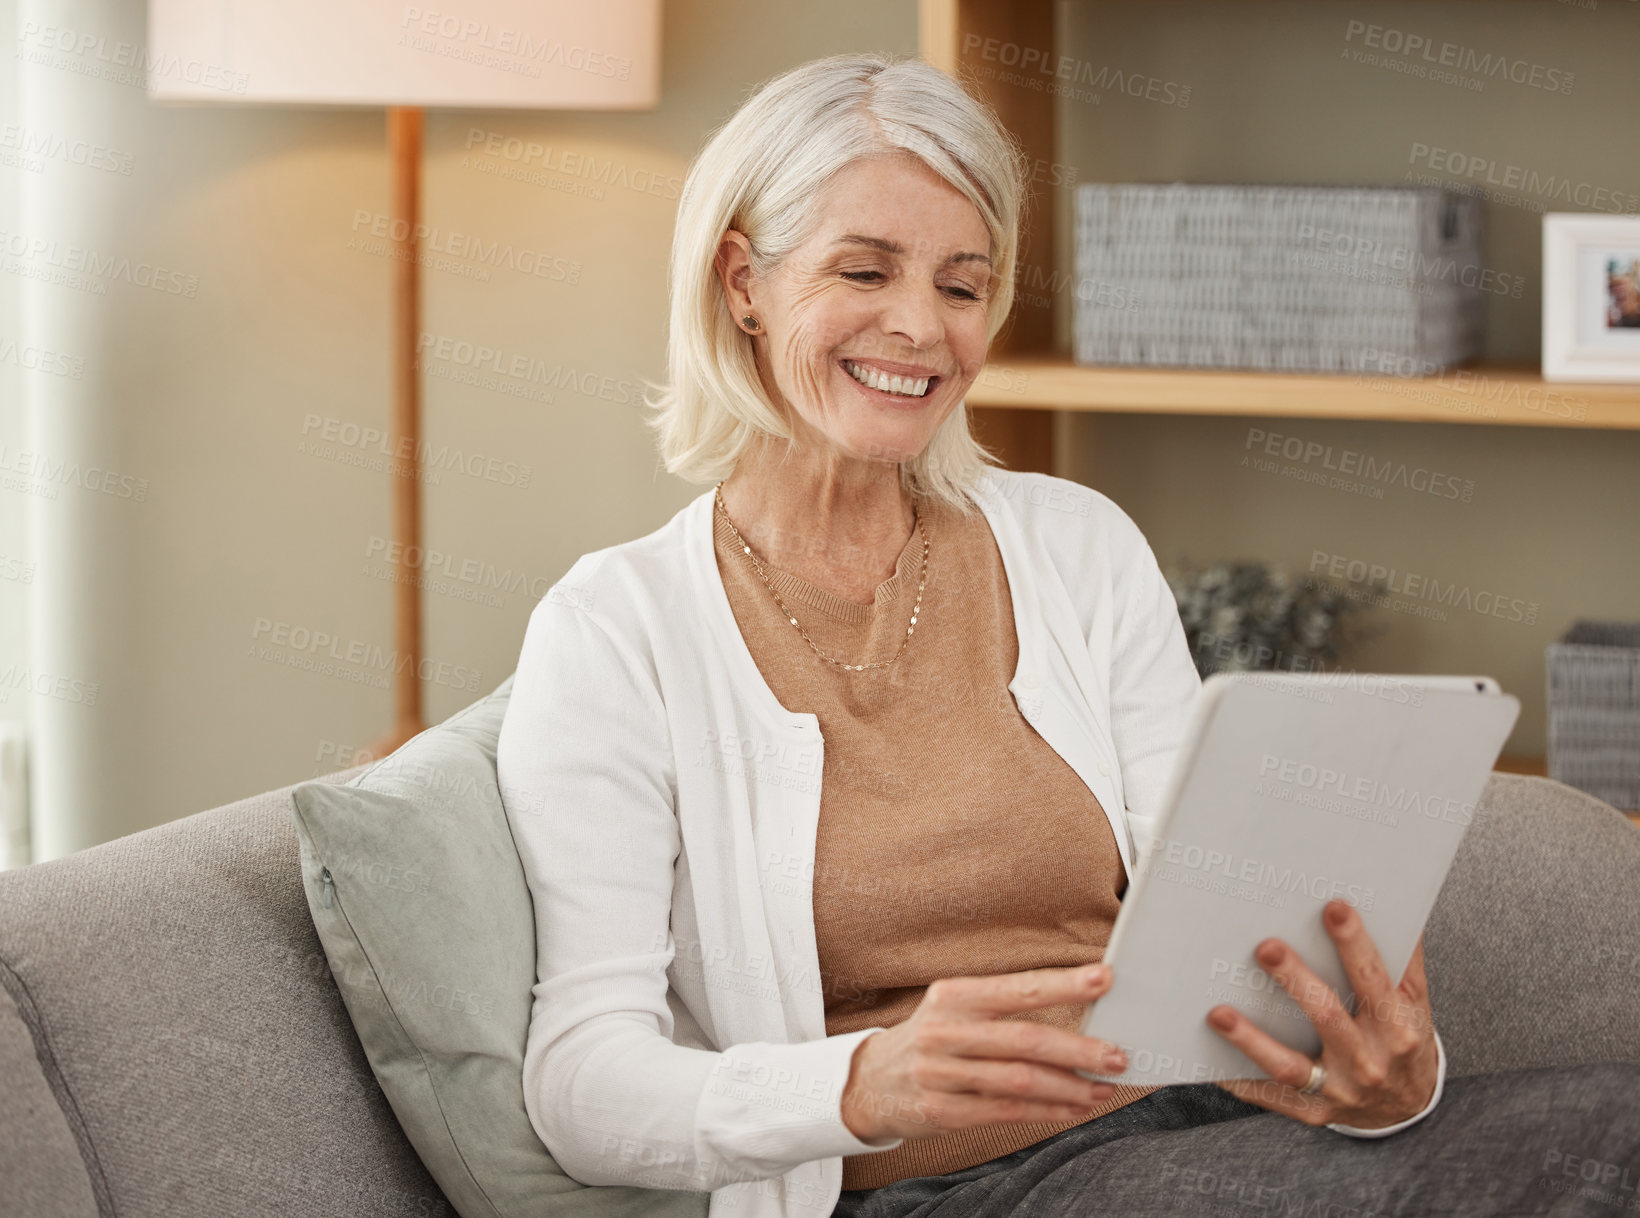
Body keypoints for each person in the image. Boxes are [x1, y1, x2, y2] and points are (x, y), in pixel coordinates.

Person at [496, 53, 1637, 1218]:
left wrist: (1388, 1085)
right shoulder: (615, 631)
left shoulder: (1073, 547)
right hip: (953, 1189)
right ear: (742, 279)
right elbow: (582, 1084)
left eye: (960, 283)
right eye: (863, 269)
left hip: (1193, 1130)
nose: (920, 329)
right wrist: (860, 1083)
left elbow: (1219, 918)